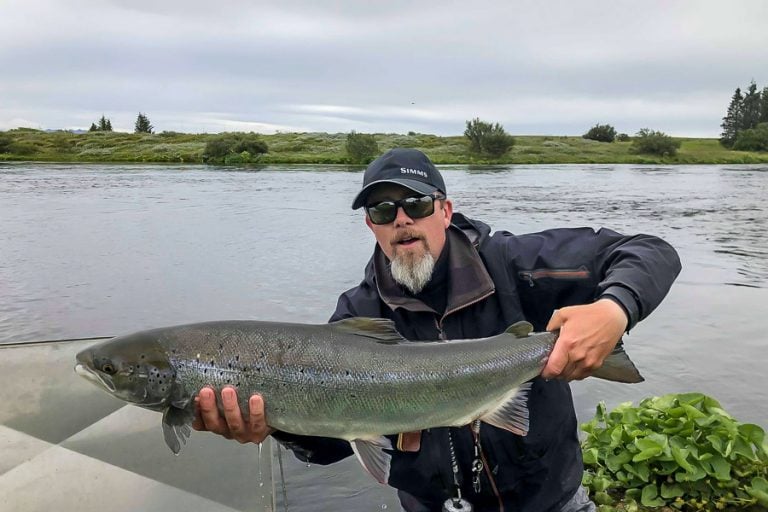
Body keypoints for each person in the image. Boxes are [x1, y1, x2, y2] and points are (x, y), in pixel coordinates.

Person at [193, 148, 681, 512]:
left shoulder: (514, 265)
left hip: (550, 500)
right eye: (383, 211)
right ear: (372, 227)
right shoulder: (357, 317)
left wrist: (615, 309)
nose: (402, 219)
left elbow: (649, 250)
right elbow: (331, 443)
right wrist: (274, 422)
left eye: (416, 205)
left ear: (445, 212)